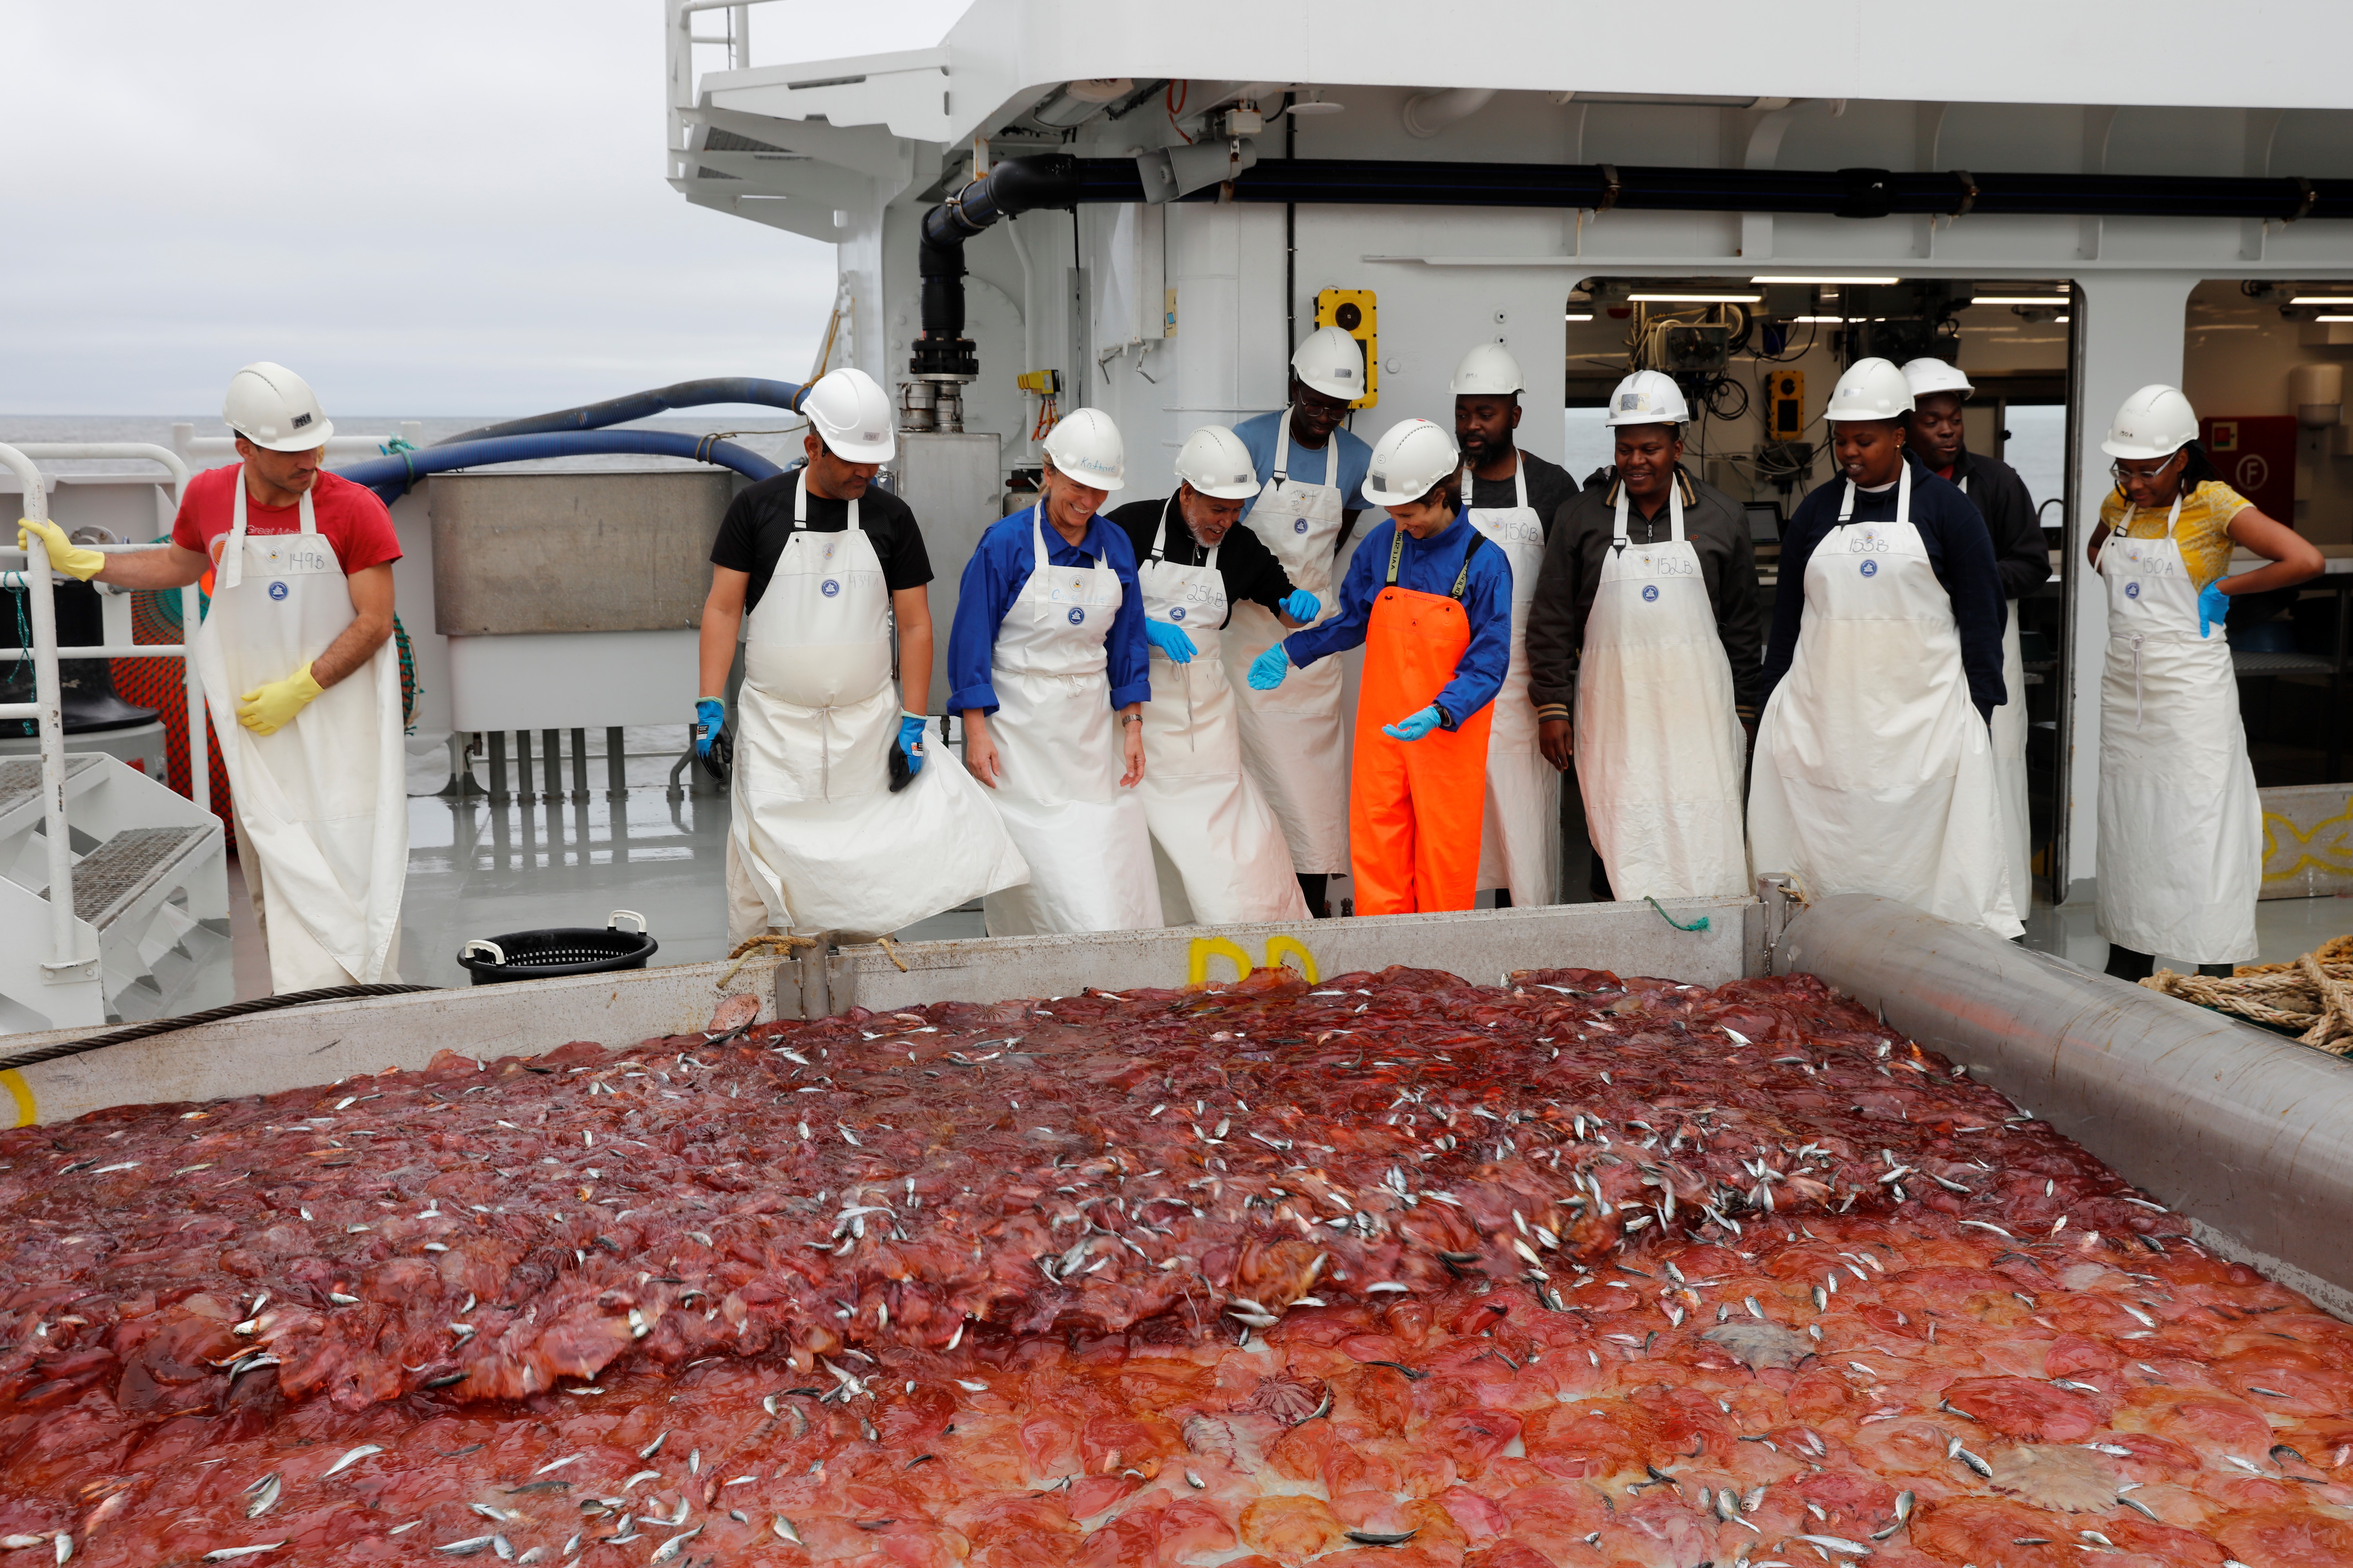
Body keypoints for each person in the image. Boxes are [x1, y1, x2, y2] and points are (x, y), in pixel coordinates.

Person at [21, 362, 406, 991]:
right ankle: (308, 1003)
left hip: (342, 720)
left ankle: (369, 991)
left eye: (315, 443)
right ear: (245, 447)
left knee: (353, 850)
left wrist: (304, 687)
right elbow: (177, 564)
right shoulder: (208, 497)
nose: (309, 458)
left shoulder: (355, 509)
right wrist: (88, 563)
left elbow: (376, 621)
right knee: (274, 852)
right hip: (255, 722)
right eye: (288, 450)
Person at [695, 367, 1027, 944]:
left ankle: (865, 1002)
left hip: (864, 729)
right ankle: (764, 989)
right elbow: (724, 611)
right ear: (811, 447)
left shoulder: (890, 518)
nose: (865, 473)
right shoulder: (756, 510)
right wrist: (707, 704)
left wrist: (914, 722)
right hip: (777, 732)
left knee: (868, 869)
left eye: (872, 462)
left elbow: (917, 624)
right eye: (851, 460)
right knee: (761, 873)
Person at [1748, 357, 2019, 938]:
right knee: (1828, 865)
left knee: (1921, 877)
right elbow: (1789, 620)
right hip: (1827, 728)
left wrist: (1981, 711)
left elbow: (1981, 616)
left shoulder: (1947, 511)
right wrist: (1769, 706)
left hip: (1921, 729)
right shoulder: (1816, 512)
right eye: (1841, 440)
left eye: (1864, 440)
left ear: (1899, 435)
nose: (1849, 453)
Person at [2089, 384, 2321, 981]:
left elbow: (2303, 560)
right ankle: (2128, 956)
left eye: (2146, 472)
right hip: (2127, 689)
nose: (2133, 484)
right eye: (2125, 470)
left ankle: (2211, 966)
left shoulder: (2216, 504)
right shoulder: (2119, 505)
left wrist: (2222, 590)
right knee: (2131, 825)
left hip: (2189, 687)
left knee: (2197, 824)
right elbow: (2097, 551)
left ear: (2181, 458)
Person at [1249, 419, 1511, 915]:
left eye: (1409, 514)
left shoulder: (1486, 563)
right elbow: (1353, 622)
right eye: (1392, 513)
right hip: (1384, 737)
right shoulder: (1381, 547)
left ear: (1441, 494)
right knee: (1377, 855)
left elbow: (1489, 663)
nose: (1400, 524)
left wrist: (1440, 712)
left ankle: (1441, 979)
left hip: (1448, 739)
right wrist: (1292, 652)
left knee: (1445, 860)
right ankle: (1381, 979)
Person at [1527, 370, 1761, 903]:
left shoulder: (1723, 517)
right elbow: (1553, 620)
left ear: (1678, 446)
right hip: (1616, 713)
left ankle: (1709, 951)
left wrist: (1744, 713)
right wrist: (1553, 707)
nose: (1636, 461)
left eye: (1651, 449)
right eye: (1625, 448)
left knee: (1702, 824)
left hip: (1698, 717)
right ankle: (1617, 952)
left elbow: (1743, 627)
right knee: (1618, 825)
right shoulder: (1580, 517)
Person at [948, 408, 1159, 935]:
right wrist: (976, 731)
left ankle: (1107, 976)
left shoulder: (1116, 546)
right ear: (1049, 473)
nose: (1088, 503)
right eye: (1078, 486)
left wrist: (1133, 724)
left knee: (1101, 861)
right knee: (1042, 873)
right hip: (1020, 732)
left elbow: (1127, 640)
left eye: (1100, 492)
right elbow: (972, 639)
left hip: (1090, 729)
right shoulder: (1004, 543)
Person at [1107, 428, 1315, 925]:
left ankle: (1245, 929)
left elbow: (1280, 600)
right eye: (1217, 509)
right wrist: (1143, 625)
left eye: (1236, 509)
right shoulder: (1129, 527)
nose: (1227, 521)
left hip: (1208, 714)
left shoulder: (1241, 547)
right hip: (1138, 707)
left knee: (1229, 832)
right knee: (1144, 829)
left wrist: (1296, 606)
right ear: (1186, 493)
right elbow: (1092, 603)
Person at [1226, 325, 1375, 916]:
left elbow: (1339, 539)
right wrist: (1270, 594)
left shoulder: (1358, 461)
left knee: (1311, 799)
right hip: (1245, 644)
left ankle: (1309, 915)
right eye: (1314, 401)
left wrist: (1308, 598)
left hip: (1311, 649)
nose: (1323, 415)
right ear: (1294, 386)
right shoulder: (1251, 442)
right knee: (1251, 788)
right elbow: (1224, 537)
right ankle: (1252, 910)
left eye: (1336, 407)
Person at [1902, 357, 2052, 909]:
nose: (1947, 429)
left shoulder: (1995, 482)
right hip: (1914, 653)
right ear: (1904, 427)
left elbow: (2034, 563)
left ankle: (2000, 902)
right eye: (1932, 420)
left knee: (1993, 765)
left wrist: (1972, 582)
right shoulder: (1882, 489)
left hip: (1986, 643)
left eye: (1954, 419)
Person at [1450, 342, 1579, 909]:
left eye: (1486, 413)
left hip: (1526, 691)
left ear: (1514, 415)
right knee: (1459, 836)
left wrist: (1556, 700)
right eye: (1463, 413)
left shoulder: (1552, 488)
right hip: (1454, 686)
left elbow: (1565, 597)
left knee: (1522, 837)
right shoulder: (1443, 488)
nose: (1471, 426)